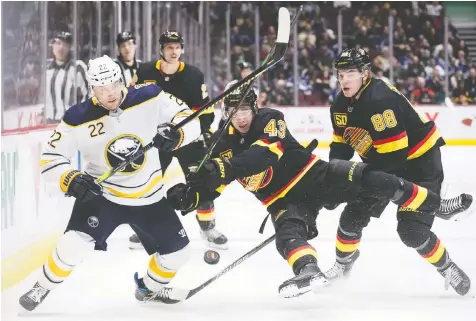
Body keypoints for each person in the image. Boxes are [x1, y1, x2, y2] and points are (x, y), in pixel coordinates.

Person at [165, 88, 472, 299]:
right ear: (225, 112)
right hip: (282, 200)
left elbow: (263, 156)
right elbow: (213, 188)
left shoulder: (270, 119)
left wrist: (224, 167)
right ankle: (309, 272)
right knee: (288, 235)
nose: (240, 116)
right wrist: (191, 196)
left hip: (313, 177)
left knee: (368, 176)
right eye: (233, 110)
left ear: (254, 107)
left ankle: (436, 205)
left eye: (244, 108)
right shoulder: (221, 146)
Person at [19, 55, 202, 311]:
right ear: (91, 88)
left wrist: (177, 133)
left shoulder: (150, 96)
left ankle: (149, 287)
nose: (110, 93)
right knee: (72, 245)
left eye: (114, 85)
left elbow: (190, 120)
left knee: (179, 254)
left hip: (149, 196)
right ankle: (42, 286)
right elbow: (51, 158)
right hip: (103, 195)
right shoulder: (77, 117)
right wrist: (71, 179)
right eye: (101, 89)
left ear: (122, 80)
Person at [324, 48, 472, 296]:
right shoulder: (339, 105)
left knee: (412, 231)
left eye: (350, 73)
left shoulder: (380, 100)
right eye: (340, 74)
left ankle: (446, 260)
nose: (344, 80)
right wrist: (332, 178)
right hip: (382, 165)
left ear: (365, 73)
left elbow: (394, 158)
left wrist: (356, 179)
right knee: (351, 217)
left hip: (419, 162)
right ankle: (342, 265)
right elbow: (341, 146)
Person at [129, 30, 228, 250]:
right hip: (157, 140)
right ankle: (146, 228)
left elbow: (206, 113)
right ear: (161, 50)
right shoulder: (144, 71)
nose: (173, 52)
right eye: (169, 47)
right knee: (148, 183)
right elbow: (130, 103)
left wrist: (198, 131)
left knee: (201, 179)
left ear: (181, 49)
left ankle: (208, 227)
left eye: (177, 47)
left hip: (188, 140)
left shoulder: (193, 76)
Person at [45, 31, 88, 123]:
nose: (61, 48)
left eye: (65, 44)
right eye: (58, 43)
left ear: (69, 48)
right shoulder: (47, 70)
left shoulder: (78, 68)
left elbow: (88, 95)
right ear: (52, 45)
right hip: (48, 125)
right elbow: (46, 99)